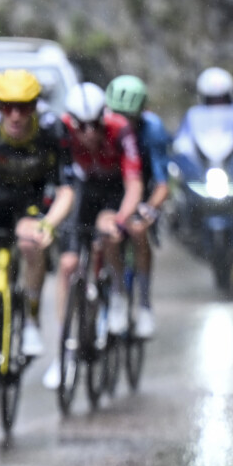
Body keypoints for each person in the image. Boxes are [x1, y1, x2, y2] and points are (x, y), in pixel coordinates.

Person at [0, 69, 77, 409]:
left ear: (35, 106)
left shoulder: (52, 131)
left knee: (29, 241)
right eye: (8, 107)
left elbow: (67, 190)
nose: (16, 115)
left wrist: (50, 223)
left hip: (34, 204)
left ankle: (32, 320)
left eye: (24, 107)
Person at [44, 81, 143, 388]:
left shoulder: (120, 129)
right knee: (68, 265)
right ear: (71, 121)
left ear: (104, 117)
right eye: (81, 126)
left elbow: (134, 185)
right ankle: (64, 347)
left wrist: (122, 220)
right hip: (82, 191)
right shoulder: (60, 130)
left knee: (109, 233)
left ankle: (117, 293)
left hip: (113, 190)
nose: (89, 133)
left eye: (95, 125)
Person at [103, 75, 169, 339]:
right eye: (117, 114)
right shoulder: (101, 126)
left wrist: (150, 207)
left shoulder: (153, 130)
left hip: (144, 190)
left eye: (128, 117)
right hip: (112, 188)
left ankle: (144, 304)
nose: (122, 122)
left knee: (139, 232)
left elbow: (162, 183)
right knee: (106, 234)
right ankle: (114, 292)